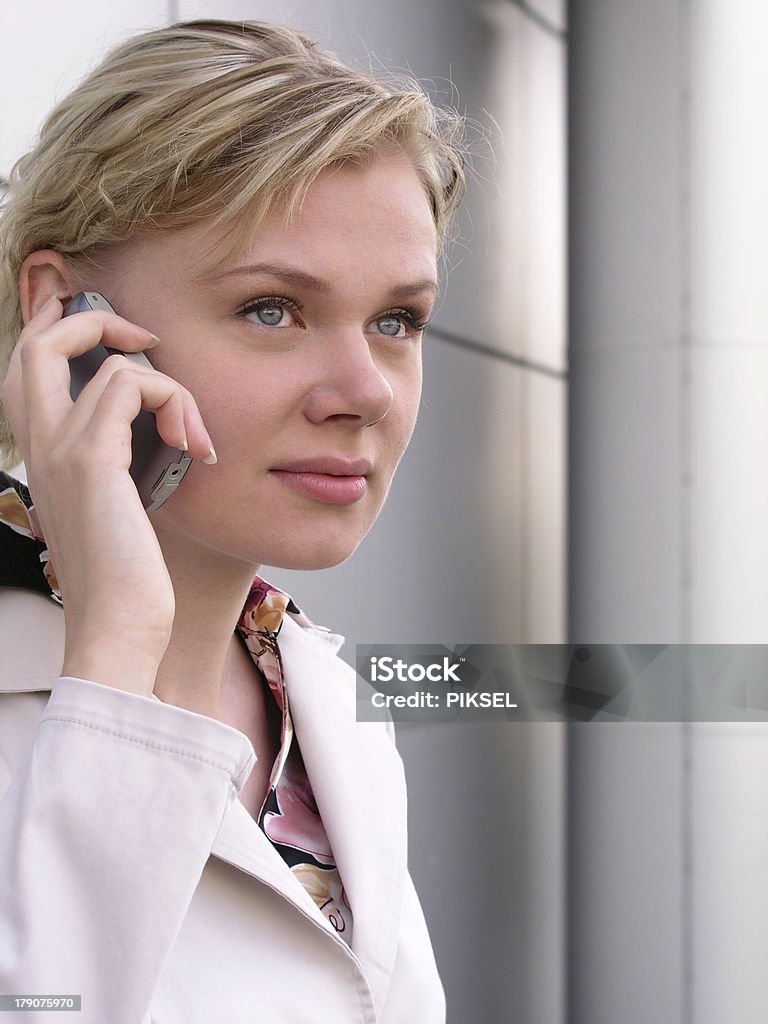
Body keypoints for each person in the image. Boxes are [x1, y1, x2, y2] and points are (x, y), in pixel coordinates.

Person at [0, 19, 464, 1023]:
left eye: (396, 321)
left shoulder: (326, 698)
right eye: (272, 309)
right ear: (61, 316)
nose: (365, 392)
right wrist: (121, 639)